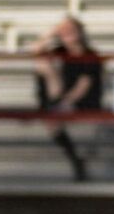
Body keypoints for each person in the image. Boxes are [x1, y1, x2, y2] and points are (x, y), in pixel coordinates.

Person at [34, 16, 104, 181]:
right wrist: (51, 33)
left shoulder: (90, 54)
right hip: (62, 96)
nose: (67, 34)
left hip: (85, 100)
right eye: (64, 31)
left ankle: (76, 162)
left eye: (71, 30)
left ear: (80, 32)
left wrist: (67, 102)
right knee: (42, 63)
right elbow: (36, 50)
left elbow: (85, 84)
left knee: (53, 119)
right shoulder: (61, 51)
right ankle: (76, 159)